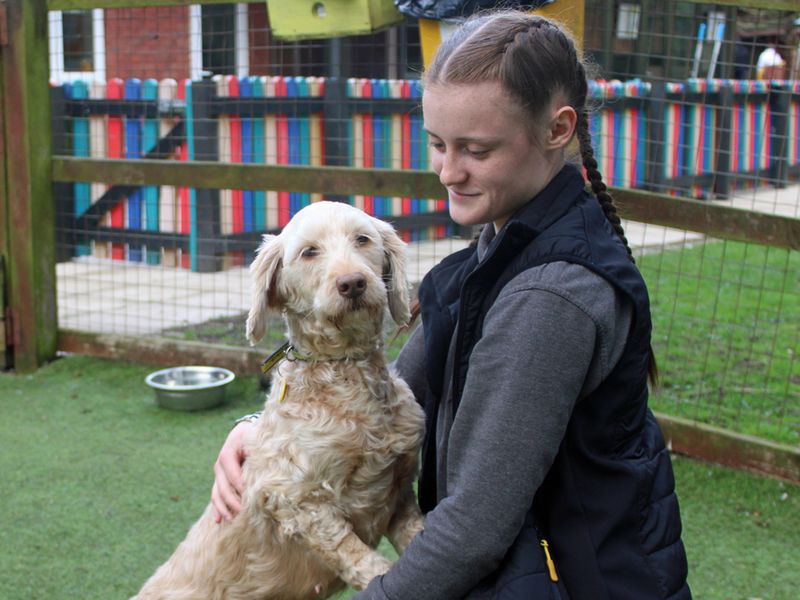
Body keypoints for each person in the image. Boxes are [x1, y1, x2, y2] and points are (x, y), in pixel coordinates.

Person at [211, 10, 691, 599]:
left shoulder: (548, 299)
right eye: (438, 144)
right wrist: (260, 433)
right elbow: (391, 392)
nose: (447, 171)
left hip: (576, 583)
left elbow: (474, 528)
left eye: (476, 149)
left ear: (557, 129)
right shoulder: (498, 249)